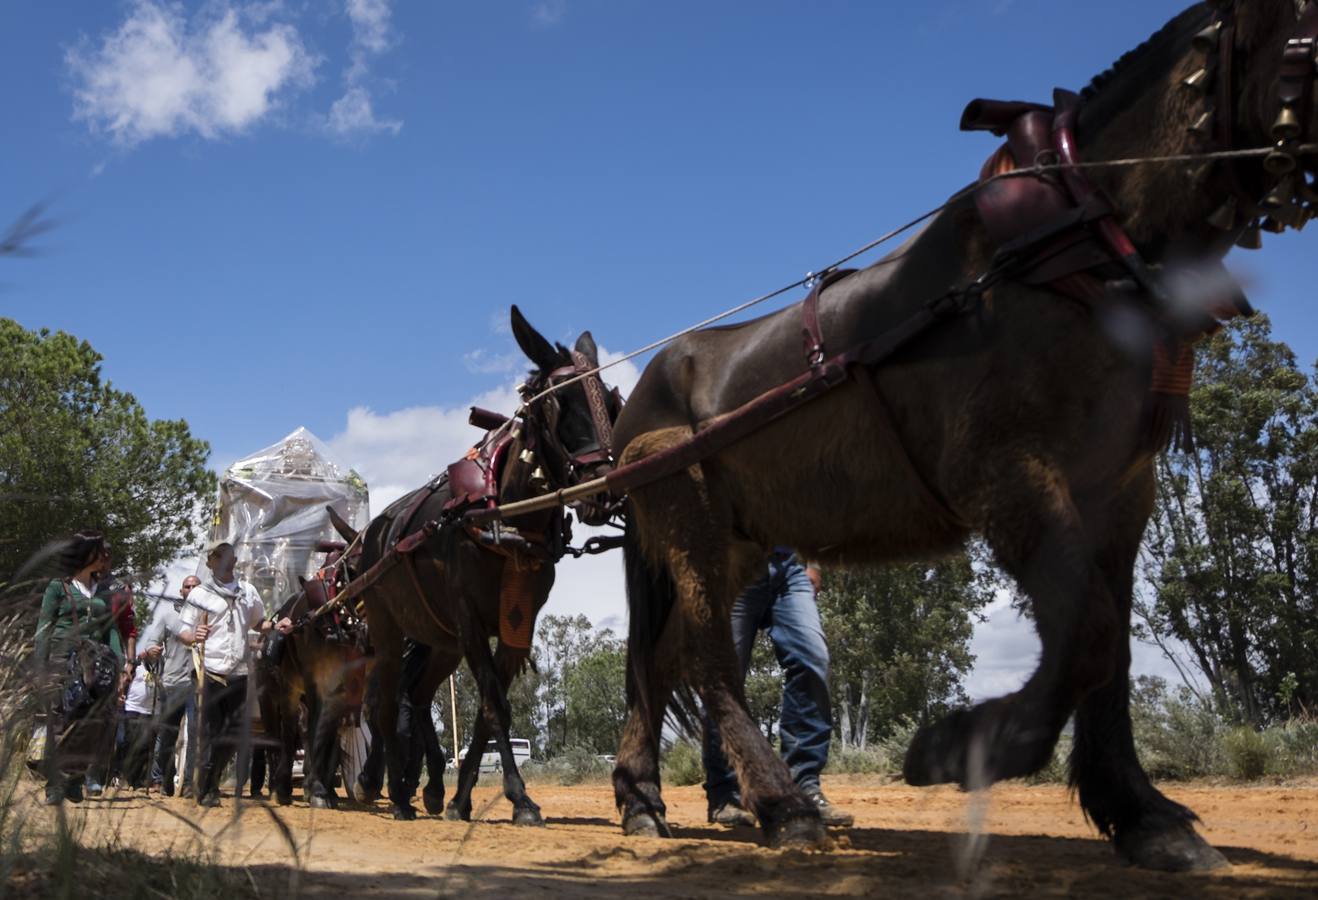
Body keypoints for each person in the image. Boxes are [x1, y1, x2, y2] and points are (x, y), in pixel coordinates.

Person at [702, 550, 853, 828]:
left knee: (812, 659)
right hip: (730, 569)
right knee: (724, 677)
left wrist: (814, 564)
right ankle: (726, 794)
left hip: (788, 569)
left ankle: (803, 786)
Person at [179, 541, 292, 808]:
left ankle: (212, 780)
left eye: (230, 556)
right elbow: (184, 631)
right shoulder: (200, 595)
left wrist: (277, 626)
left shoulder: (248, 592)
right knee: (210, 731)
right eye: (221, 557)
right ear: (213, 562)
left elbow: (258, 623)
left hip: (239, 673)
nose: (227, 561)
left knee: (230, 734)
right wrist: (193, 636)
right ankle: (206, 788)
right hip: (210, 671)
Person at [33, 530, 124, 806]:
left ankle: (74, 780)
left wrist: (119, 667)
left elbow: (112, 633)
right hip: (62, 663)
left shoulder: (105, 592)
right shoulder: (57, 587)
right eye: (98, 551)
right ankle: (55, 784)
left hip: (94, 666)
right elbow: (43, 631)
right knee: (61, 722)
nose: (103, 557)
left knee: (88, 725)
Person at [142, 575, 200, 796]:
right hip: (173, 682)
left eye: (196, 586)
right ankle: (164, 780)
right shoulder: (168, 616)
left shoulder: (208, 617)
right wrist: (152, 651)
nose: (192, 589)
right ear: (181, 591)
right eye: (188, 586)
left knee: (195, 732)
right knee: (168, 733)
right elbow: (151, 643)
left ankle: (188, 785)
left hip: (198, 682)